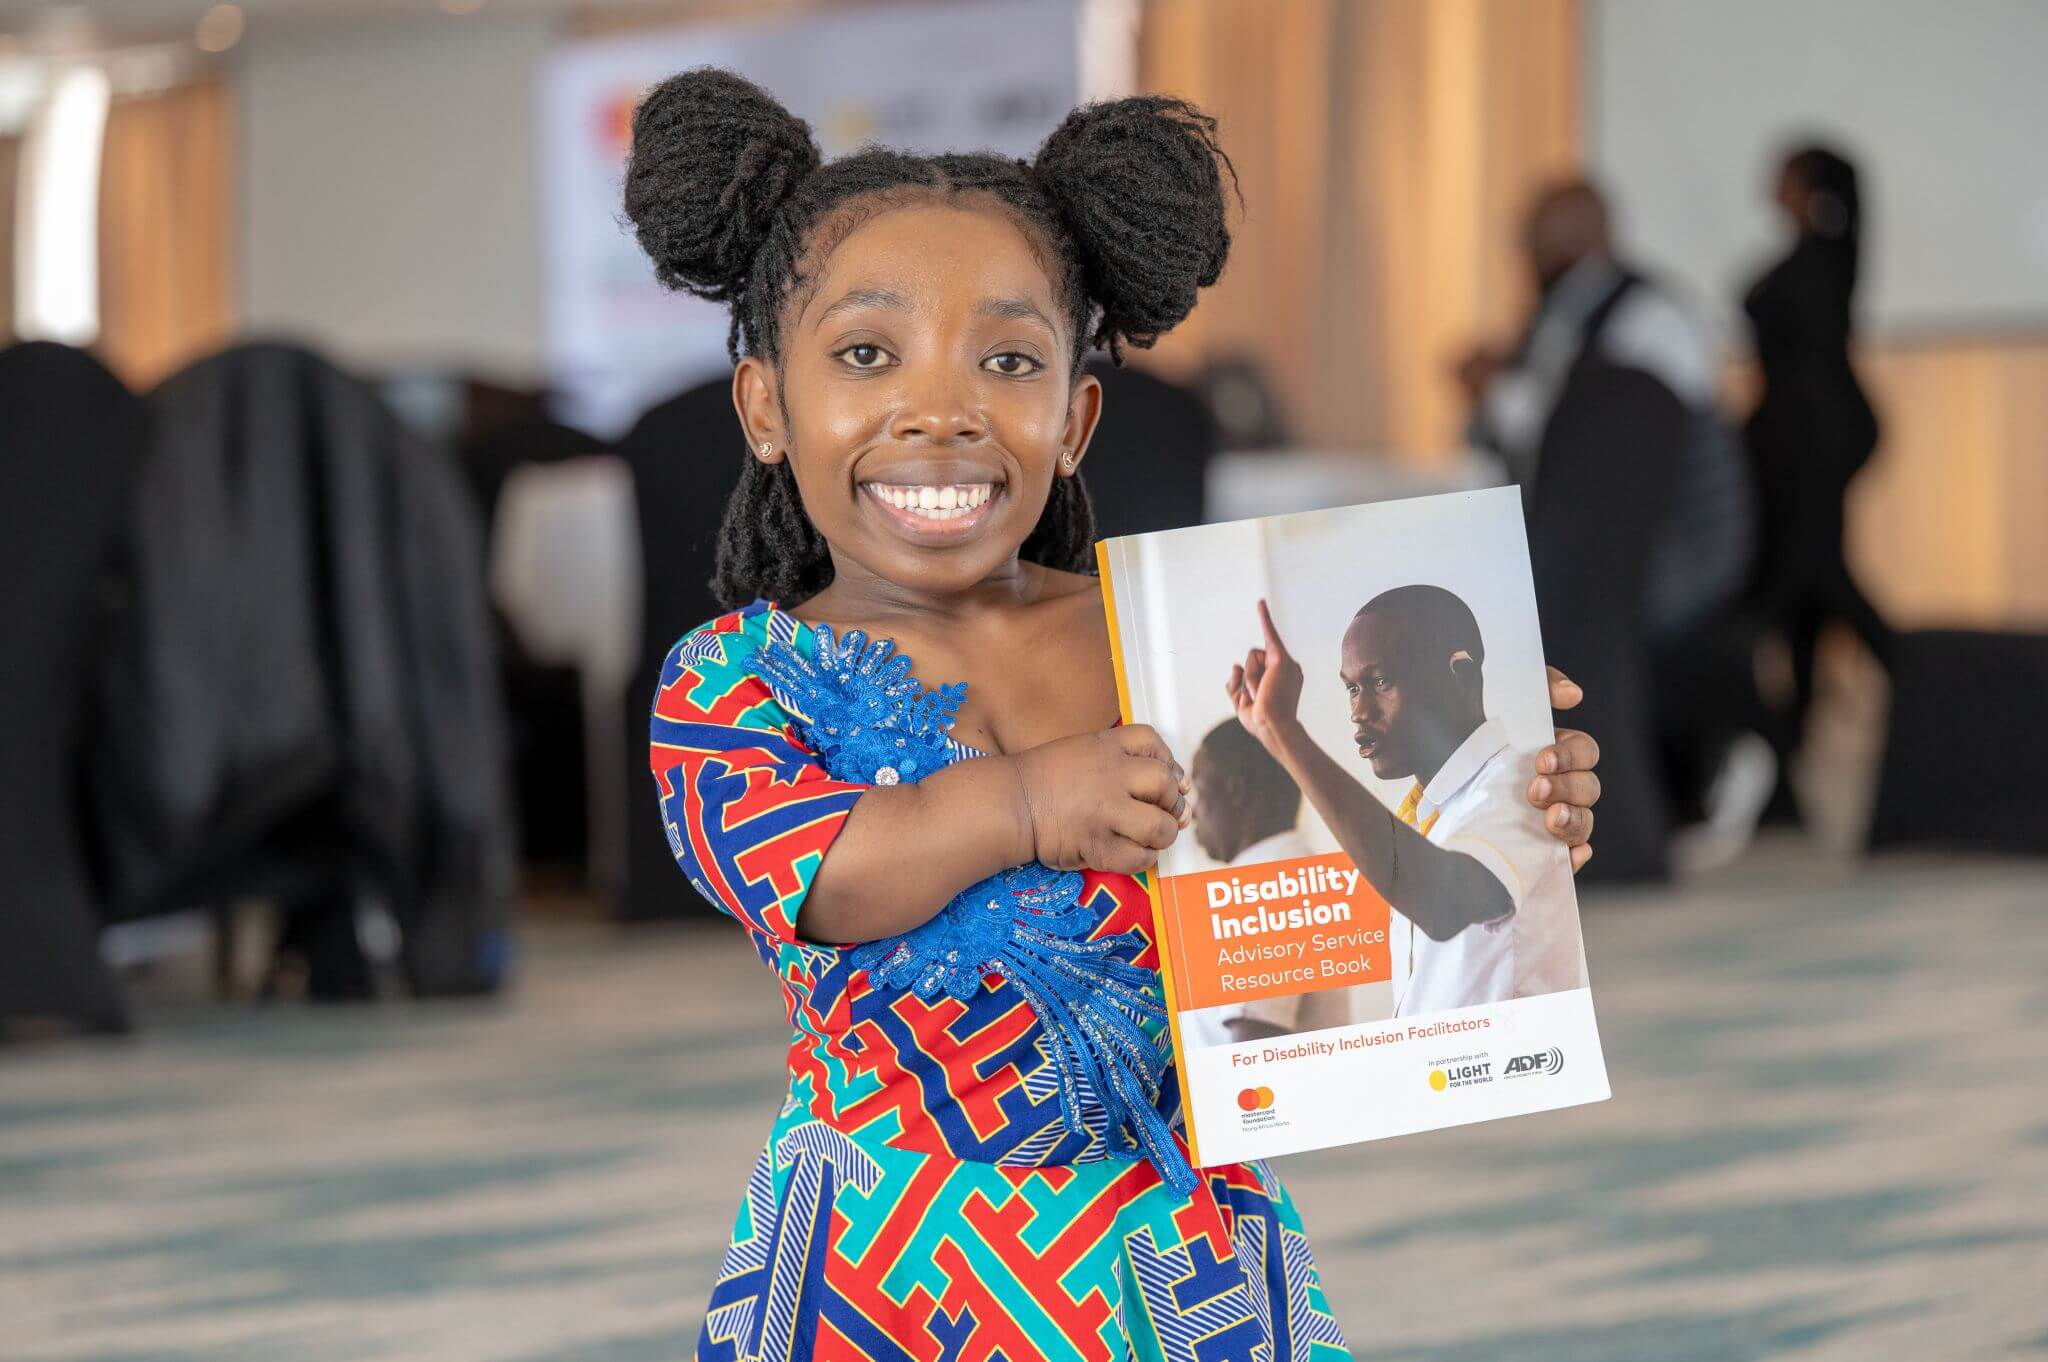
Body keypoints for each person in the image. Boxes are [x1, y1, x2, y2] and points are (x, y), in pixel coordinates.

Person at [632, 69, 1602, 1360]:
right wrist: (1032, 802)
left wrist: (1496, 795)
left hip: (1177, 1254)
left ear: (1077, 416)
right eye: (868, 354)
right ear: (766, 404)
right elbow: (826, 875)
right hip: (882, 1275)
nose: (943, 406)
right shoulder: (734, 682)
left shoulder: (1166, 630)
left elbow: (1322, 890)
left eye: (1011, 358)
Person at [1227, 590, 1587, 1017]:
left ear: (1463, 675)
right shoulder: (1421, 818)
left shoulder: (1525, 782)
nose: (1359, 711)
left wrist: (1284, 731)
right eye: (1352, 688)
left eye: (1381, 682)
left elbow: (1444, 902)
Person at [1743, 143, 1892, 727]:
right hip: (1803, 433)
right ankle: (1797, 717)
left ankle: (1920, 671)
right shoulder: (1822, 256)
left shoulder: (1824, 258)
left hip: (1813, 436)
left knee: (1814, 570)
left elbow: (1808, 357)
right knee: (1808, 574)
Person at [1179, 718, 1362, 1048]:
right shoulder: (1293, 875)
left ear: (1235, 791)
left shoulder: (1264, 892)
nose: (1192, 813)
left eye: (1199, 791)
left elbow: (1256, 1052)